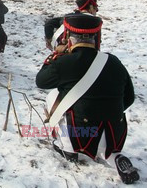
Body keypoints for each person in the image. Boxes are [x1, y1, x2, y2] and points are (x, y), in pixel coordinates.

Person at [36, 13, 139, 185]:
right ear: (96, 37)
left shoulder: (65, 62)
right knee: (107, 149)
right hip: (113, 132)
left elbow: (41, 81)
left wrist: (55, 56)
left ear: (68, 37)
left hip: (81, 134)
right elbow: (129, 98)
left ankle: (67, 148)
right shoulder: (114, 61)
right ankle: (115, 157)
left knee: (53, 96)